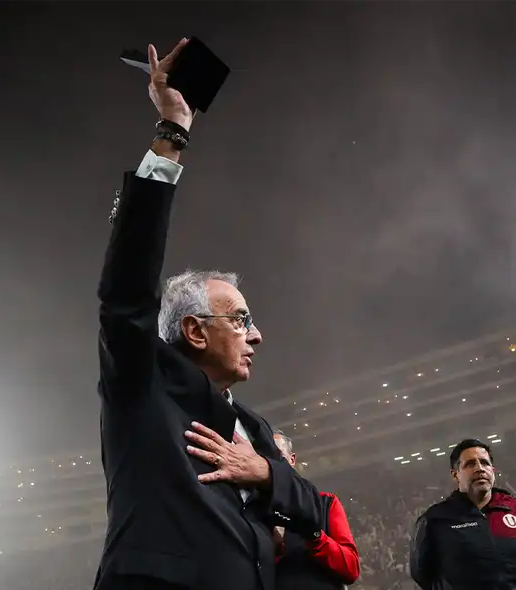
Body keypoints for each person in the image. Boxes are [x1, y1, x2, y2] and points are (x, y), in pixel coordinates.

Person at [94, 39, 324, 590]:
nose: (259, 335)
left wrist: (266, 472)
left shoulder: (256, 428)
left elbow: (314, 509)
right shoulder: (142, 381)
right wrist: (173, 131)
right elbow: (127, 285)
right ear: (194, 330)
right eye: (240, 320)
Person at [409, 438, 516, 590]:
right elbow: (421, 573)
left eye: (485, 463)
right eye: (470, 464)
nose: (480, 468)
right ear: (455, 475)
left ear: (493, 471)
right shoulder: (434, 520)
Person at [271, 430, 361, 590]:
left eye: (278, 455)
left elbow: (351, 569)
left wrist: (315, 536)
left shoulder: (326, 503)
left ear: (292, 460)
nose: (272, 462)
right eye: (266, 455)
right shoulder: (255, 510)